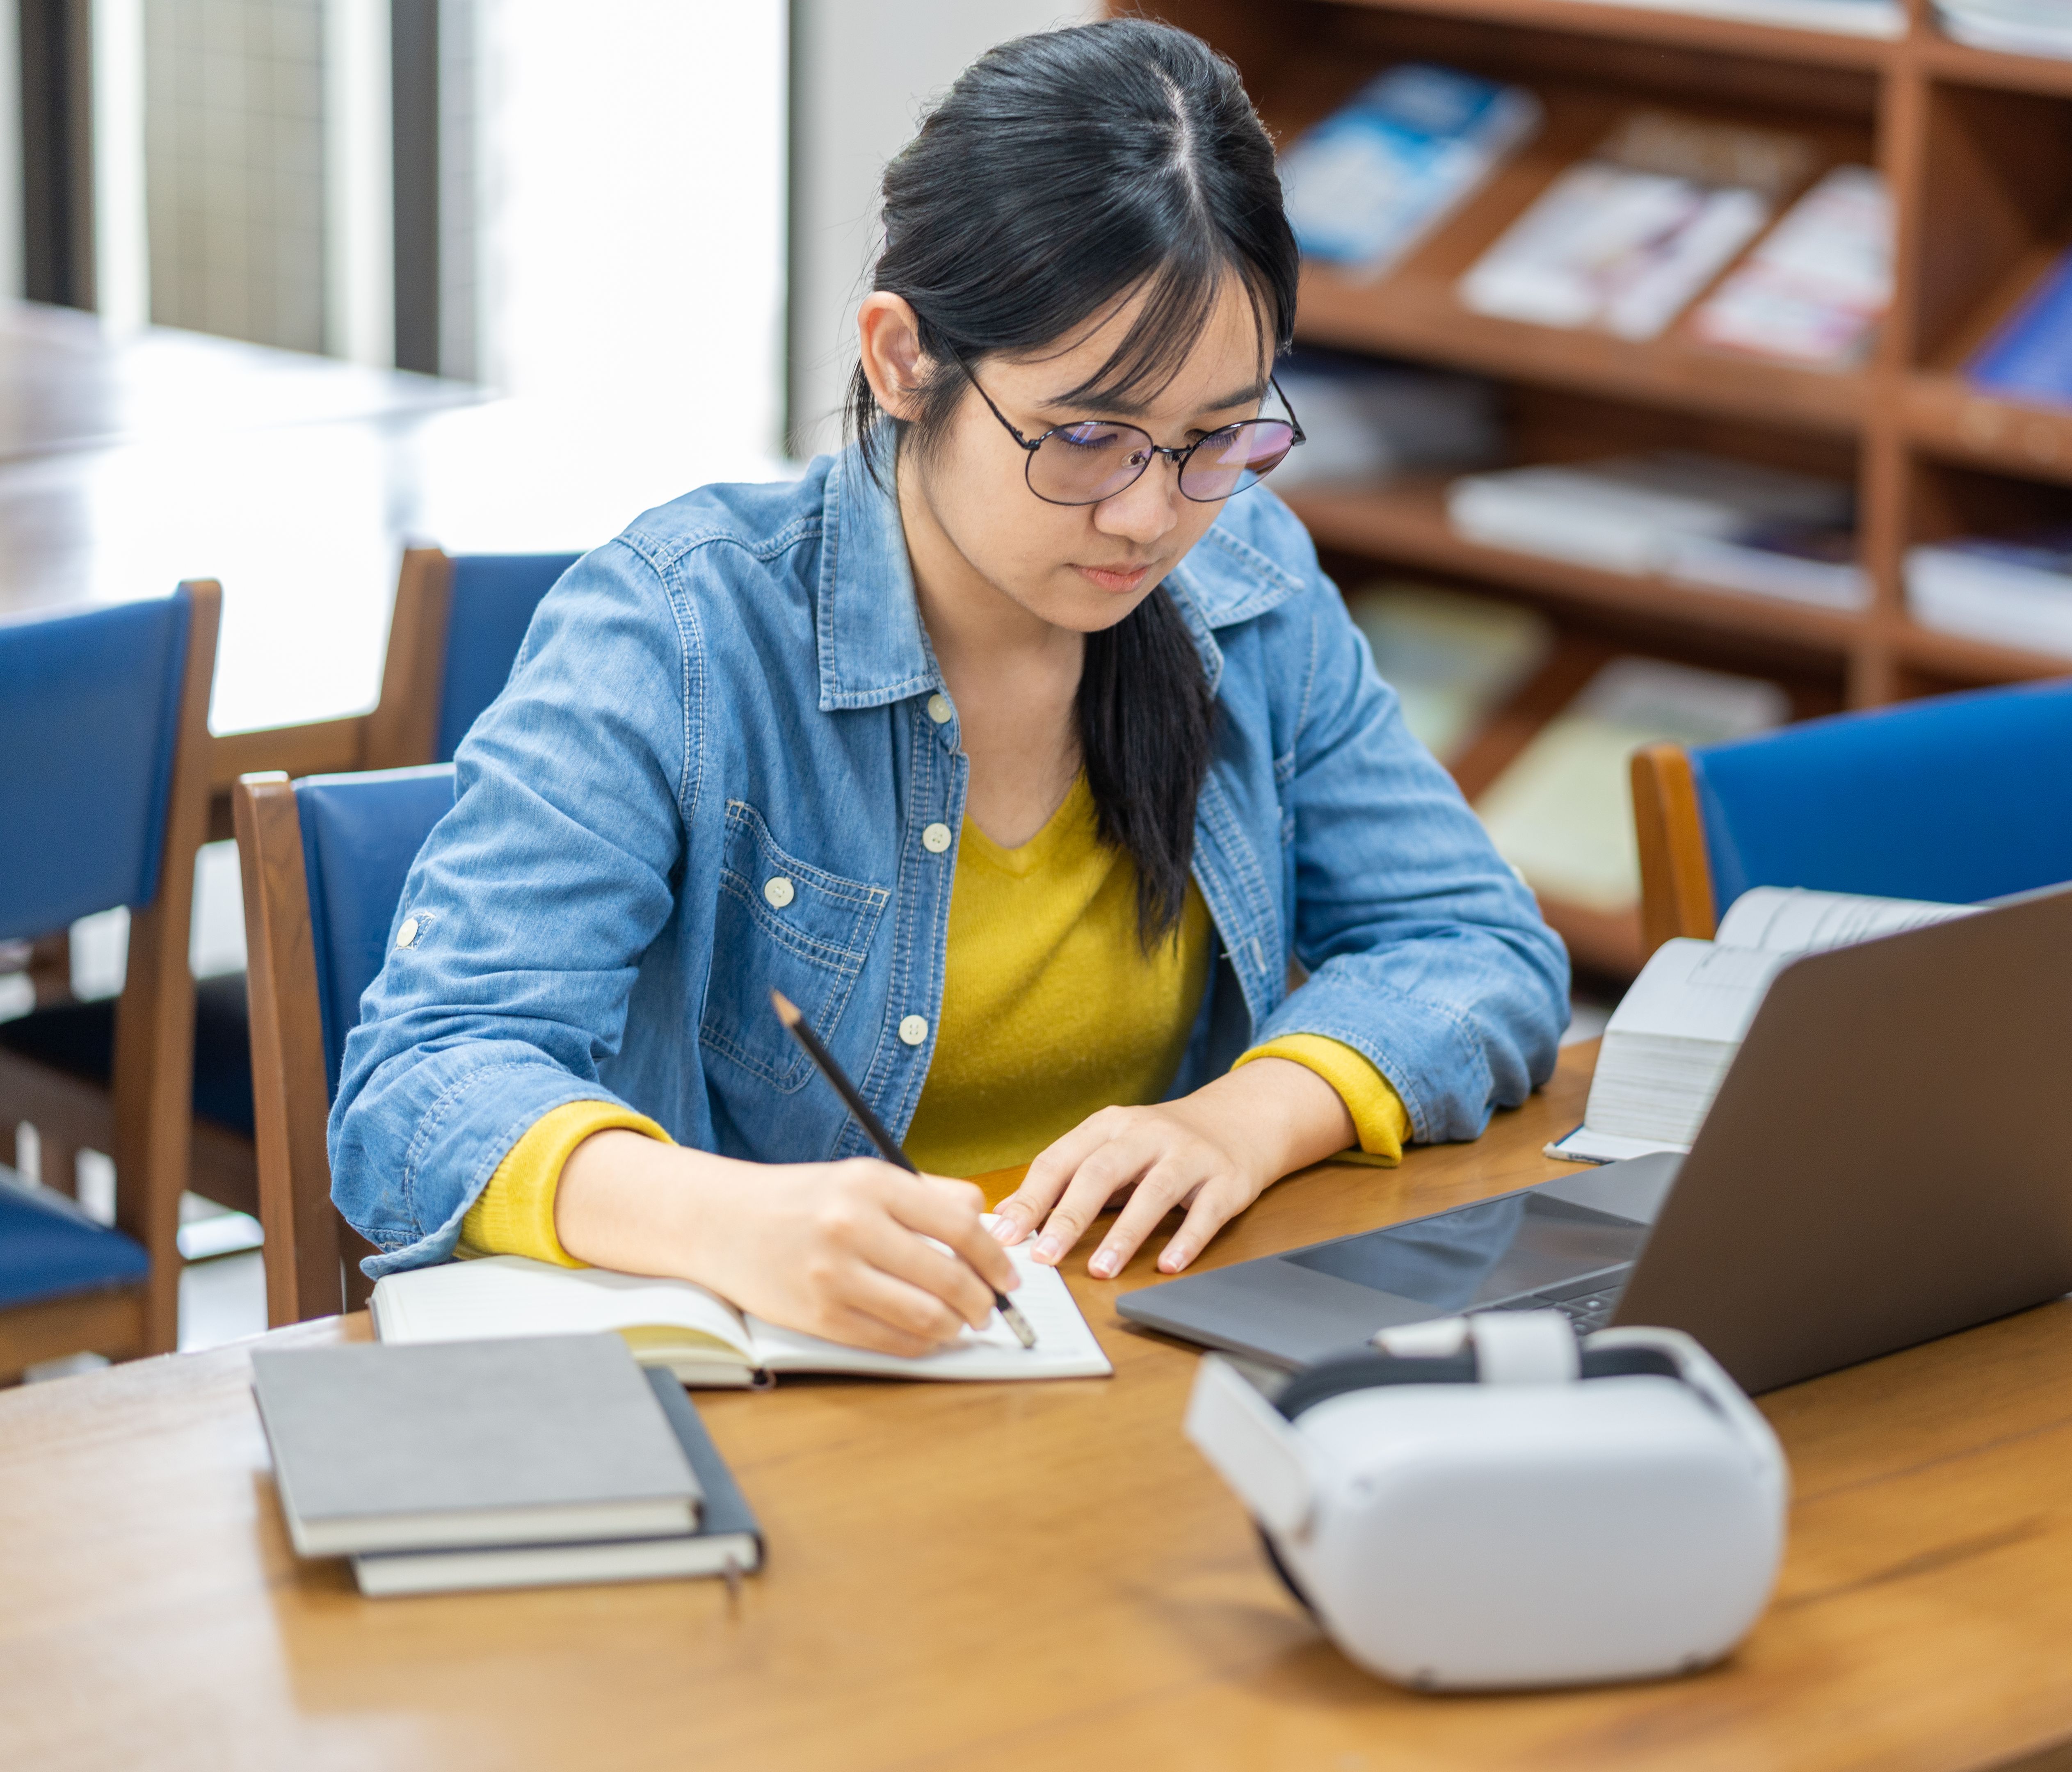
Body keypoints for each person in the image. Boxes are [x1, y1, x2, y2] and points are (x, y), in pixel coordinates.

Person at [327, 19, 1568, 1357]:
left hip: (1134, 1353)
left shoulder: (1248, 580)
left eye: (1217, 439)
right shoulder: (679, 628)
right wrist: (730, 1223)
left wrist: (1248, 1115)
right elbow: (420, 1084)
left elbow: (1479, 947)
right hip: (798, 1387)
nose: (1152, 517)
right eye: (1088, 436)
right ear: (903, 358)